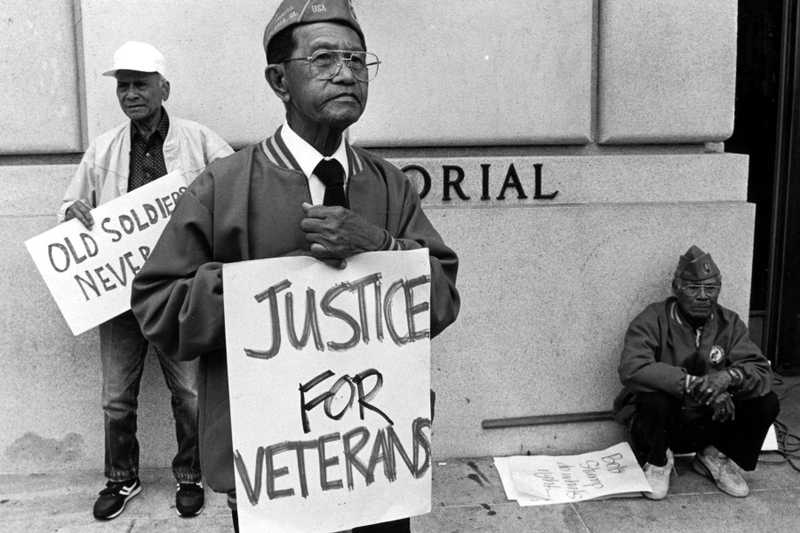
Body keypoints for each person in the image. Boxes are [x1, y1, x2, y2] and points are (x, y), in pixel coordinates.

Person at [130, 1, 460, 531]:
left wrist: (379, 247)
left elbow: (441, 299)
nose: (347, 73)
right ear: (279, 81)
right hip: (275, 468)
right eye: (325, 59)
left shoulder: (390, 185)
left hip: (374, 457)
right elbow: (157, 307)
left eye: (357, 59)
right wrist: (272, 284)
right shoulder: (223, 186)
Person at [58, 41, 233, 520]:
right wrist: (72, 214)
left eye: (140, 84)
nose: (131, 93)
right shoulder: (104, 148)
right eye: (123, 86)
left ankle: (190, 475)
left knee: (192, 394)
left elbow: (235, 193)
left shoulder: (200, 141)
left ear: (163, 88)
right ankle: (121, 478)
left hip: (177, 293)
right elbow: (71, 208)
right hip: (118, 297)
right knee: (116, 397)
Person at [614, 245, 779, 500]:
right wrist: (693, 384)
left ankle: (714, 456)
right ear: (676, 288)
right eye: (693, 288)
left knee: (766, 401)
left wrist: (728, 378)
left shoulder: (729, 322)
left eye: (711, 289)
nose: (703, 296)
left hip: (710, 420)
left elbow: (760, 370)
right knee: (653, 397)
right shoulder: (653, 318)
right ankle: (658, 462)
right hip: (664, 423)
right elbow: (632, 367)